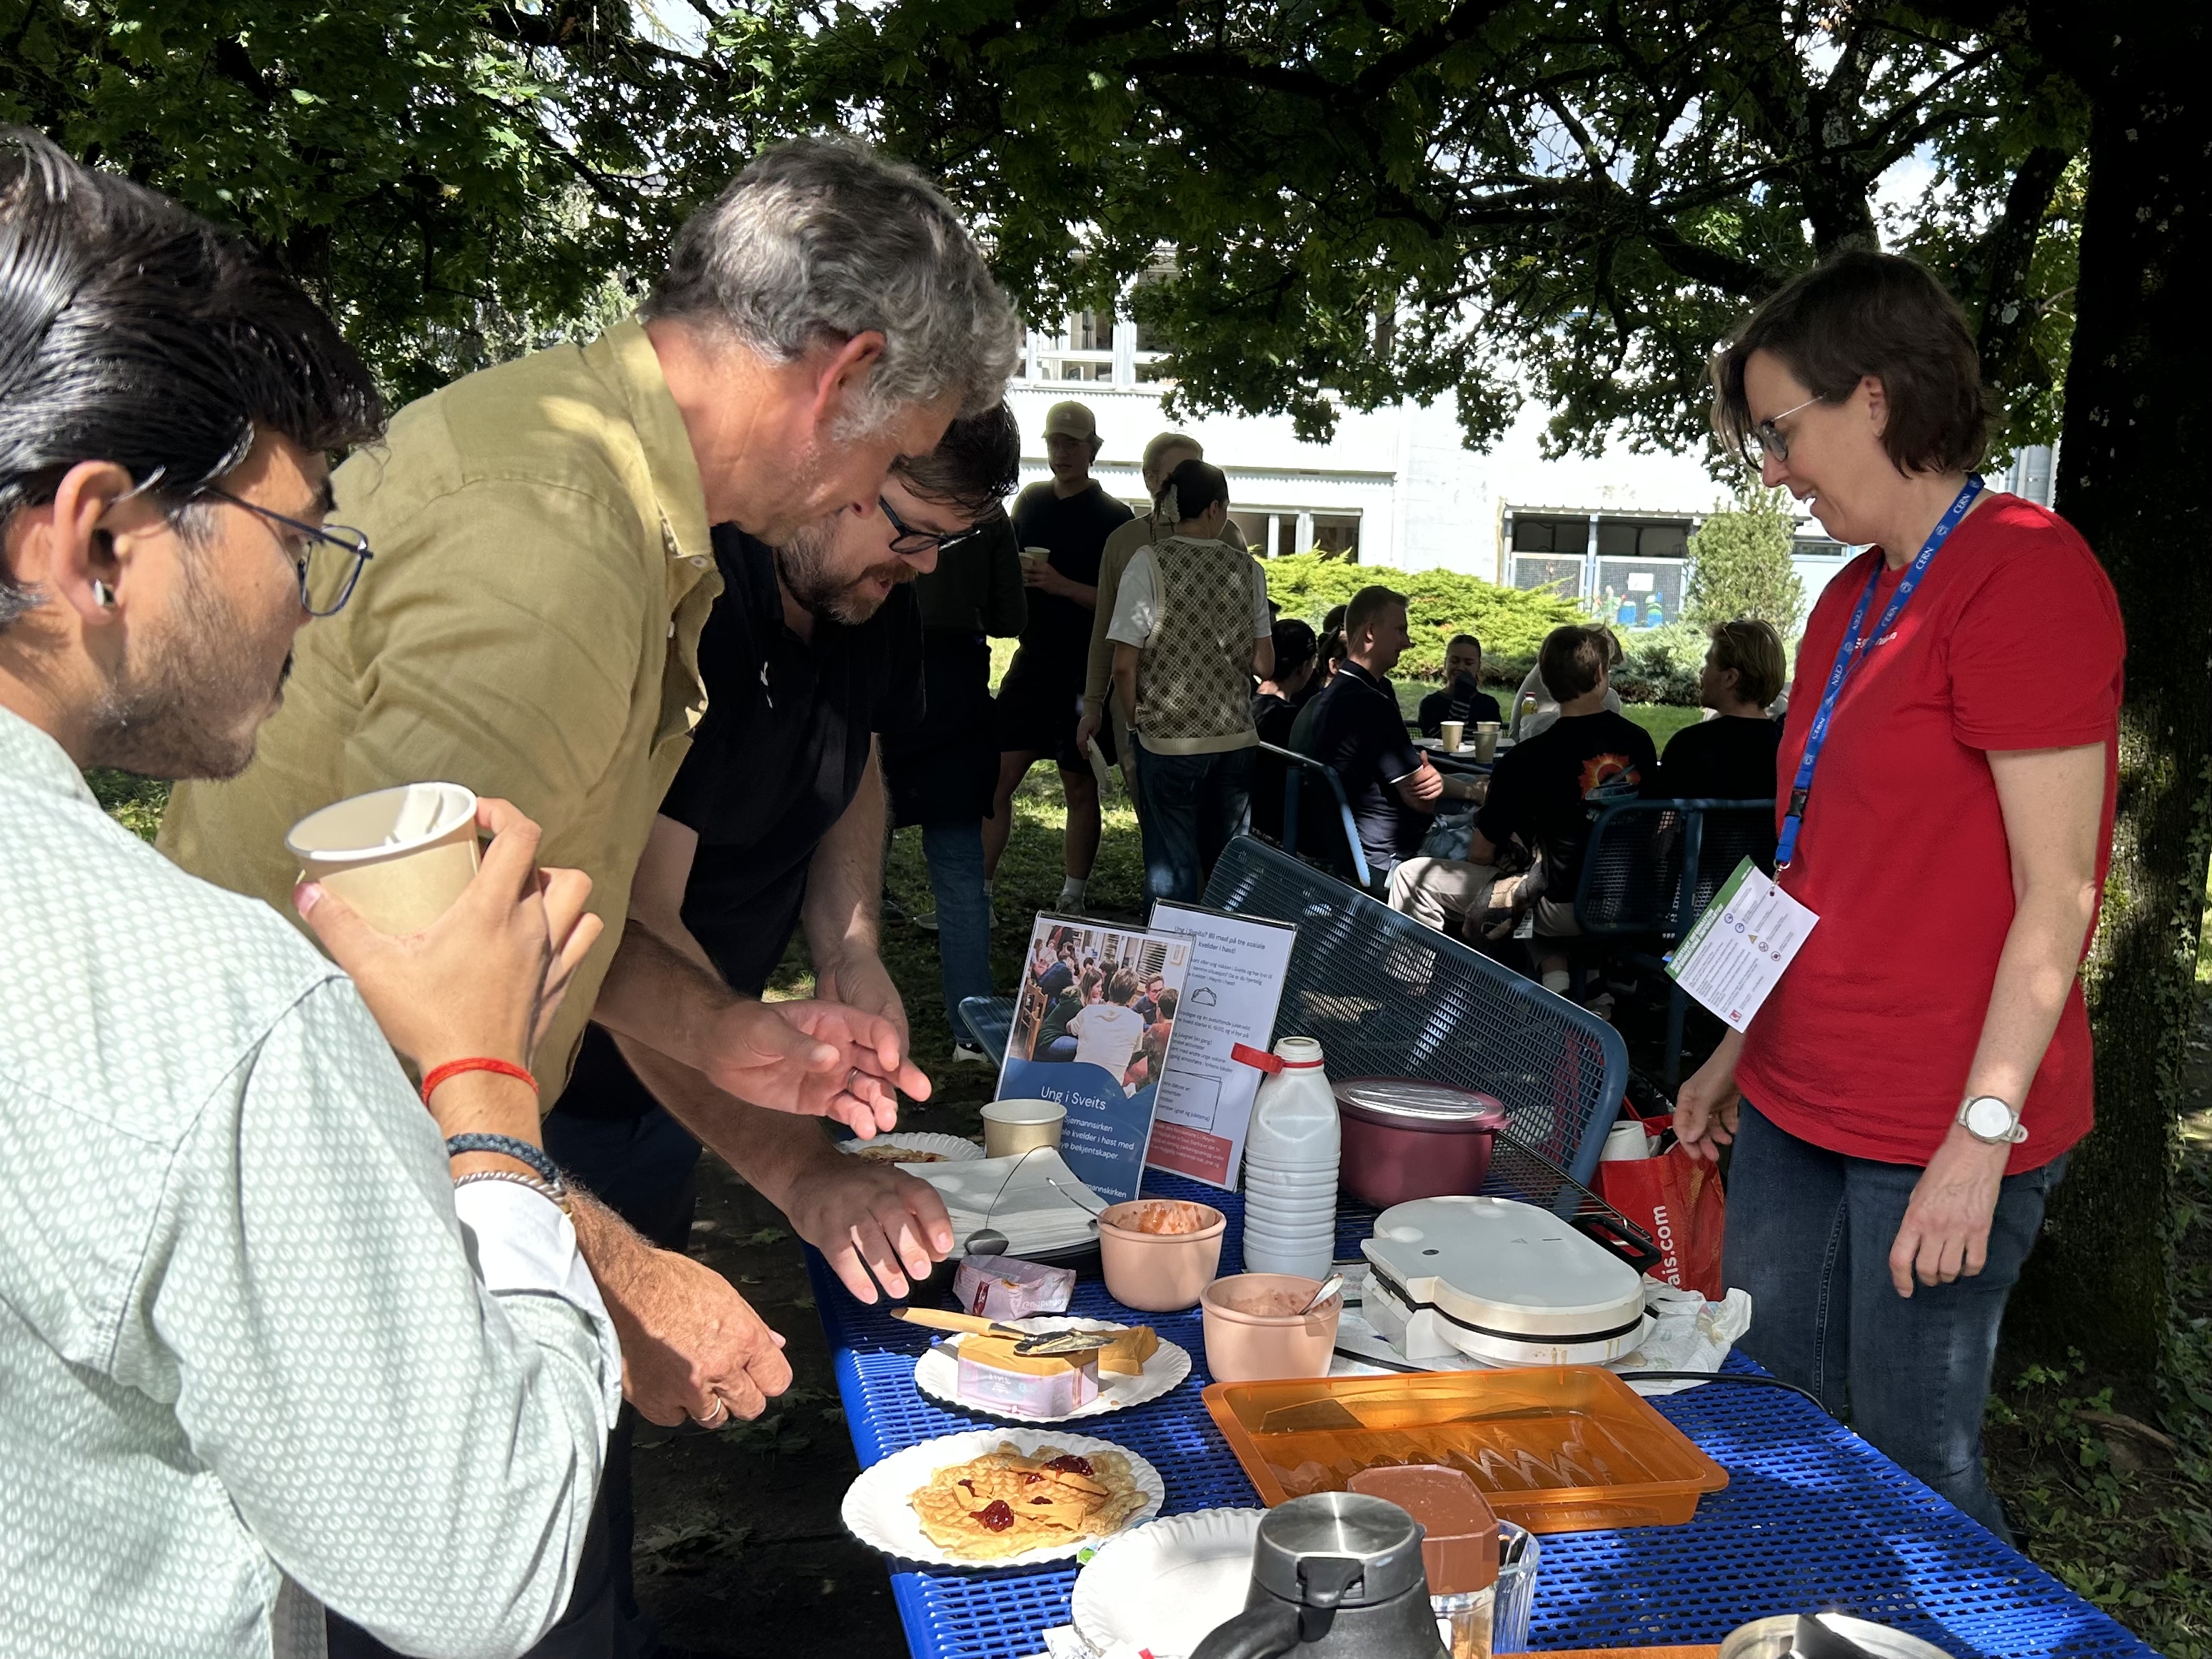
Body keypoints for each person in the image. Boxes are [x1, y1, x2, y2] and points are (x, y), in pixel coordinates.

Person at [158, 134, 1018, 1658]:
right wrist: (623, 1279)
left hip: (358, 1188)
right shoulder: (555, 545)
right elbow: (390, 1030)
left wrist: (729, 1043)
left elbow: (530, 912)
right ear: (848, 377)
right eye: (903, 469)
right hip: (327, 1226)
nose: (889, 521)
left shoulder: (606, 490)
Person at [0, 135, 619, 1658]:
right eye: (300, 536)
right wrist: (485, 1093)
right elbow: (480, 1565)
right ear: (98, 538)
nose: (310, 597)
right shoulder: (213, 1006)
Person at [1674, 249, 2122, 1540]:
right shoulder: (1846, 599)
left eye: (1778, 429)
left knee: (1910, 1479)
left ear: (1870, 398)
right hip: (1798, 1093)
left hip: (1938, 1119)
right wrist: (1733, 1044)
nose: (1769, 467)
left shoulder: (2024, 572)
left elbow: (2061, 896)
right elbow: (1818, 861)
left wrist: (1977, 1140)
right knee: (1772, 1432)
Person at [563, 406, 1023, 1317]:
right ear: (834, 465)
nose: (926, 564)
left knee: (620, 1396)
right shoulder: (699, 604)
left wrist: (849, 945)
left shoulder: (860, 591)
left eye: (953, 540)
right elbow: (629, 931)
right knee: (550, 1389)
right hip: (565, 1072)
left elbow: (850, 763)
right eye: (914, 529)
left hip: (696, 1066)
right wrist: (799, 1166)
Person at [1388, 627, 1657, 988]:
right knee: (1527, 890)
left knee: (1412, 876)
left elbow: (1480, 854)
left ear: (1543, 680)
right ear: (1601, 675)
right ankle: (1573, 985)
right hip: (1630, 899)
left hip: (1562, 904)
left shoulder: (1528, 757)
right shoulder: (1640, 742)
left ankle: (1409, 997)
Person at [880, 411, 1026, 1064]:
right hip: (952, 688)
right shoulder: (989, 516)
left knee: (851, 865)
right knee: (961, 874)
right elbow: (1009, 616)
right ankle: (971, 1028)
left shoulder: (886, 484)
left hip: (884, 675)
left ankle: (850, 1013)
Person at [986, 400, 1132, 915]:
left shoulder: (1116, 519)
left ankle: (1073, 895)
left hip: (1083, 668)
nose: (1062, 453)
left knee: (1077, 780)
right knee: (996, 776)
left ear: (1093, 450)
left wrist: (1063, 586)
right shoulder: (1030, 502)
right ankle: (977, 895)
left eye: (1072, 444)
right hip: (1032, 659)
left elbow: (1122, 608)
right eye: (1054, 443)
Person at [1106, 459, 1274, 903]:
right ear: (1216, 509)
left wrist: (1132, 721)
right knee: (1229, 868)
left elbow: (1124, 663)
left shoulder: (1148, 563)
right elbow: (1266, 664)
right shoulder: (1249, 570)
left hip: (1168, 740)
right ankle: (1228, 962)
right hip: (1235, 738)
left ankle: (1165, 963)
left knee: (1170, 862)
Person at [1077, 430, 1246, 798]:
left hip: (1216, 711)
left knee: (1214, 834)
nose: (1187, 483)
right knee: (1157, 825)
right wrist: (1094, 706)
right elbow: (1104, 631)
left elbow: (1244, 625)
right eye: (1178, 473)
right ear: (1150, 479)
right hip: (1142, 709)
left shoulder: (1227, 535)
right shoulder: (1124, 542)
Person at [1301, 586, 1482, 880]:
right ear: (1370, 633)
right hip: (1394, 859)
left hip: (1361, 848)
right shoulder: (1370, 703)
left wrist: (1466, 787)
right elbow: (1420, 799)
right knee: (1505, 834)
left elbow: (1412, 778)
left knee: (1476, 792)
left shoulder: (1339, 692)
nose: (1408, 642)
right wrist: (1476, 792)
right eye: (1400, 630)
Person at [1652, 619, 1786, 800]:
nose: (1702, 672)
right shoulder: (1786, 749)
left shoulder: (1688, 746)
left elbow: (1662, 821)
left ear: (1730, 678)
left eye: (1708, 664)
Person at [1250, 618, 1320, 842]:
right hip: (1284, 831)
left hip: (1248, 823)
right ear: (1304, 668)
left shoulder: (1242, 706)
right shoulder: (1295, 722)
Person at [1509, 627, 1624, 738]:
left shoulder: (1557, 658)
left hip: (1525, 734)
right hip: (1536, 732)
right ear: (1598, 672)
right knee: (1611, 698)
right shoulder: (1636, 743)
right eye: (1608, 669)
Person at [1068, 968, 1149, 1083]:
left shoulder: (1089, 1011)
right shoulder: (1137, 1021)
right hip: (1108, 1093)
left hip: (1076, 1082)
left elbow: (1070, 1028)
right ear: (1131, 996)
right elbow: (1136, 1050)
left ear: (1110, 989)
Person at [1417, 633, 1503, 736]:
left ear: (1478, 666)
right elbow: (1441, 742)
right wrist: (1462, 699)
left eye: (1468, 663)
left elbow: (1490, 741)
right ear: (1445, 664)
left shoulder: (1489, 705)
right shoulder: (1430, 704)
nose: (1460, 667)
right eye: (1454, 661)